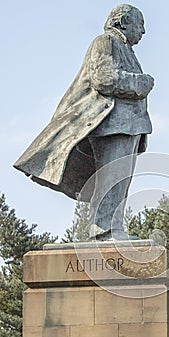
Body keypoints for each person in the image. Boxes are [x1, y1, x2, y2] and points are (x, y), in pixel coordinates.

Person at [13, 4, 154, 240]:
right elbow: (105, 78)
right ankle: (103, 231)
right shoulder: (106, 41)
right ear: (123, 22)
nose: (143, 32)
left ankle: (114, 229)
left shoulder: (126, 49)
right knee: (112, 178)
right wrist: (141, 83)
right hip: (112, 125)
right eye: (140, 25)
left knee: (120, 181)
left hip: (129, 126)